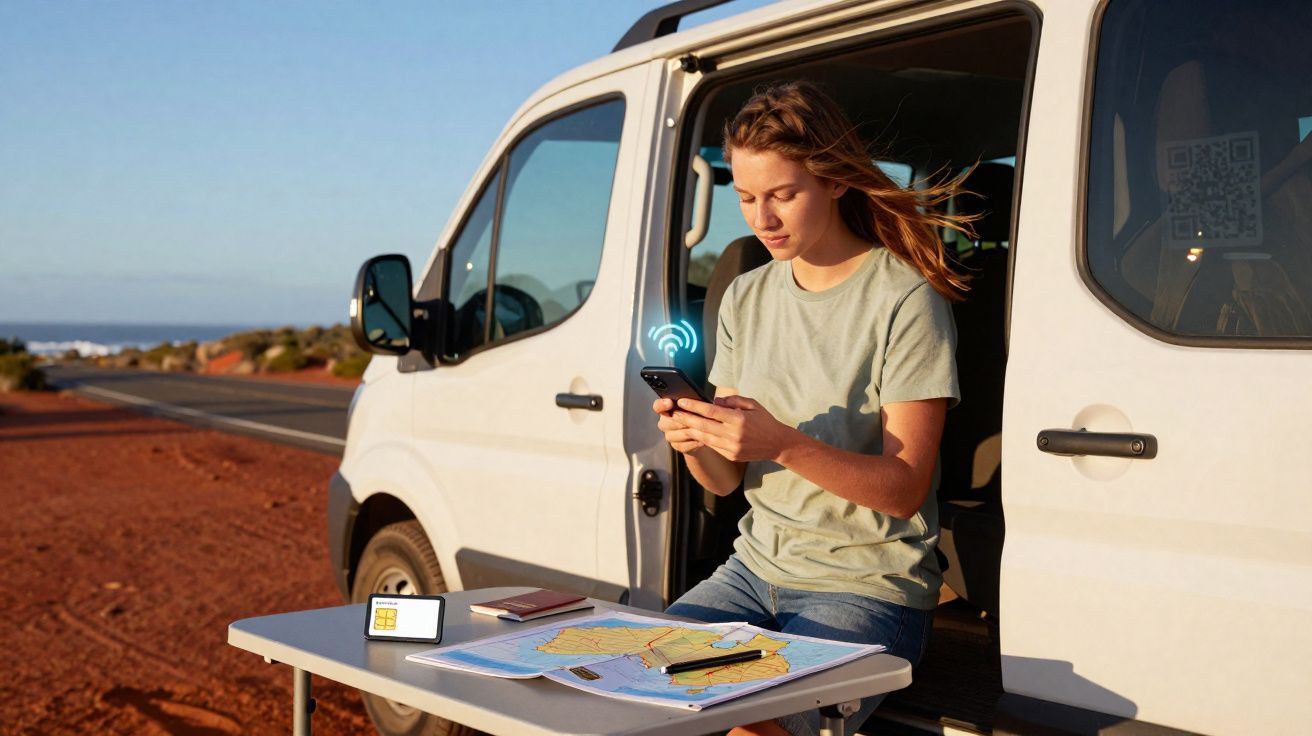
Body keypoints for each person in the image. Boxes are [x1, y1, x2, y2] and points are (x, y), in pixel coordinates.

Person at [654, 81, 975, 736]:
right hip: (752, 572)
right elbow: (725, 481)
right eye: (745, 197)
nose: (761, 218)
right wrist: (696, 442)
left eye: (782, 195)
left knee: (749, 724)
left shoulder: (905, 299)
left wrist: (780, 443)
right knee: (633, 684)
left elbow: (904, 489)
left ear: (834, 182)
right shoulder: (746, 297)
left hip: (868, 585)